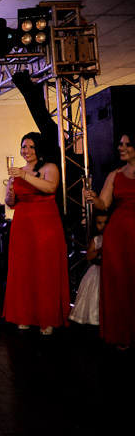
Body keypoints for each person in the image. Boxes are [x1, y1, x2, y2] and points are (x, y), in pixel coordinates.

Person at [3, 132, 70, 335]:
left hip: (45, 223)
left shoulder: (49, 168)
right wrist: (10, 192)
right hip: (22, 223)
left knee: (44, 268)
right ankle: (24, 315)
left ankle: (46, 317)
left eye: (31, 147)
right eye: (24, 146)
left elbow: (51, 187)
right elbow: (10, 202)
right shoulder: (18, 172)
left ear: (39, 149)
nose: (27, 151)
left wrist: (24, 176)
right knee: (23, 269)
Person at [85, 133, 135, 349]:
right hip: (118, 235)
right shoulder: (115, 174)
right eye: (120, 144)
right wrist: (93, 198)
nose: (121, 148)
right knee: (120, 285)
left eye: (127, 144)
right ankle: (122, 335)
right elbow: (104, 204)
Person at [69, 212, 108, 326]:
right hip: (97, 271)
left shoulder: (115, 238)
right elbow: (88, 256)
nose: (102, 226)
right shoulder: (96, 239)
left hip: (110, 271)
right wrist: (100, 250)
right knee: (95, 295)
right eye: (99, 223)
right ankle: (94, 319)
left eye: (105, 223)